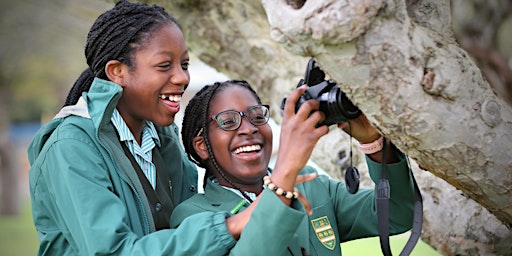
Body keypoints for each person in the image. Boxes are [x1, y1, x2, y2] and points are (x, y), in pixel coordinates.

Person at [28, 1, 307, 255]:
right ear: (117, 72)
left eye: (184, 64)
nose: (182, 77)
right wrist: (231, 224)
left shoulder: (164, 138)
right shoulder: (71, 146)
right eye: (164, 66)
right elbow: (112, 251)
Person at [171, 80, 415, 255]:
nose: (249, 128)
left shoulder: (311, 185)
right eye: (228, 121)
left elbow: (397, 215)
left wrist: (374, 143)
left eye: (257, 115)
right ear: (202, 146)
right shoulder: (193, 216)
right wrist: (286, 170)